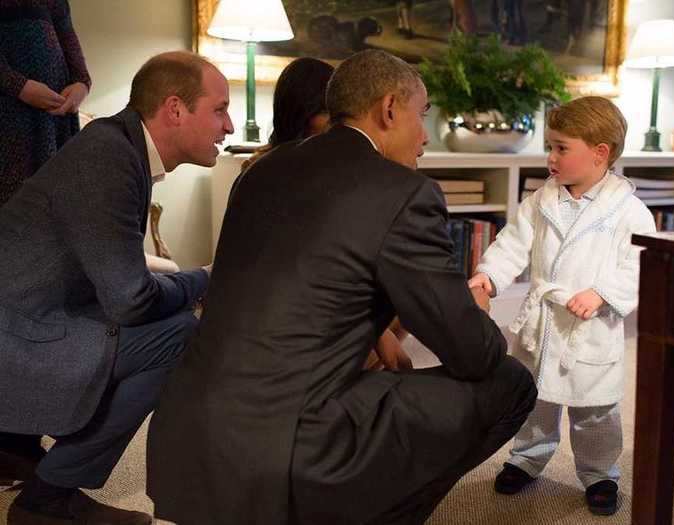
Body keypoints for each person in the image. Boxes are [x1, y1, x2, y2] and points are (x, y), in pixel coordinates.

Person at [147, 49, 537, 525]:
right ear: (390, 109)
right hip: (285, 453)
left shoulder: (260, 171)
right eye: (423, 116)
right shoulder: (404, 194)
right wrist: (476, 311)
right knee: (511, 381)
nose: (424, 138)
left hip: (185, 438)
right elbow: (472, 353)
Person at [0, 50, 233, 524]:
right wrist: (205, 279)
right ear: (174, 109)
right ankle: (48, 500)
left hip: (29, 314)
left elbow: (116, 276)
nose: (228, 126)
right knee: (177, 335)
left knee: (169, 319)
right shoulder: (109, 157)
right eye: (219, 109)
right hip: (19, 332)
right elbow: (131, 301)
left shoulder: (117, 147)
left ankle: (18, 448)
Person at [469, 96, 656, 516]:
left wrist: (603, 292)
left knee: (595, 410)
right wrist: (489, 276)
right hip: (543, 321)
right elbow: (512, 243)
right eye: (549, 146)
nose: (550, 157)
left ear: (600, 153)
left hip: (590, 327)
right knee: (535, 398)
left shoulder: (629, 212)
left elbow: (639, 262)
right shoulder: (541, 201)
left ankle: (601, 473)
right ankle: (526, 458)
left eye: (560, 148)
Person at [243, 56, 411, 372]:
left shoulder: (338, 166)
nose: (340, 125)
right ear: (303, 115)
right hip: (286, 310)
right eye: (329, 114)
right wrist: (374, 331)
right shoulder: (273, 171)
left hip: (320, 297)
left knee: (399, 295)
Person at [0, 0, 90, 206]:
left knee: (57, 206)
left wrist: (81, 85)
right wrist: (20, 87)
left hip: (57, 119)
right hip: (10, 117)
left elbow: (69, 42)